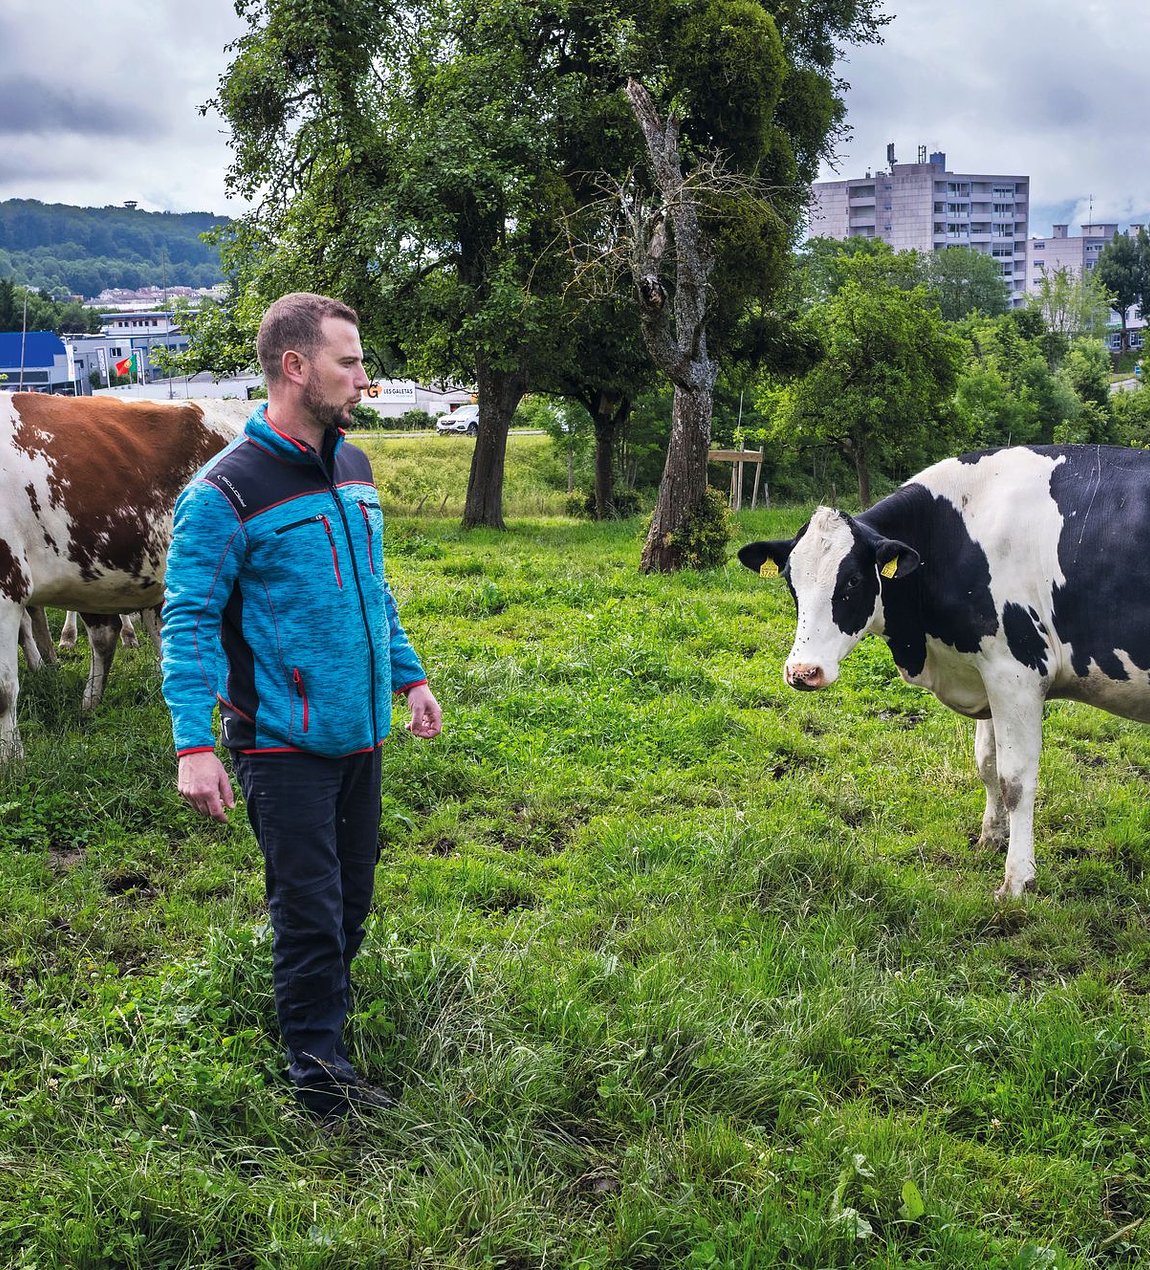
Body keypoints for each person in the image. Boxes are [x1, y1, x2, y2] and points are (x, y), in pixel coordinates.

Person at [161, 291, 442, 1119]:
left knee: (351, 900)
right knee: (311, 912)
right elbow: (187, 620)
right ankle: (319, 1083)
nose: (364, 377)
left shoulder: (353, 468)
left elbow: (372, 590)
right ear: (295, 367)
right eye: (348, 362)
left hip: (361, 731)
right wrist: (193, 743)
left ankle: (323, 1025)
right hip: (280, 742)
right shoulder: (226, 492)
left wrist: (409, 675)